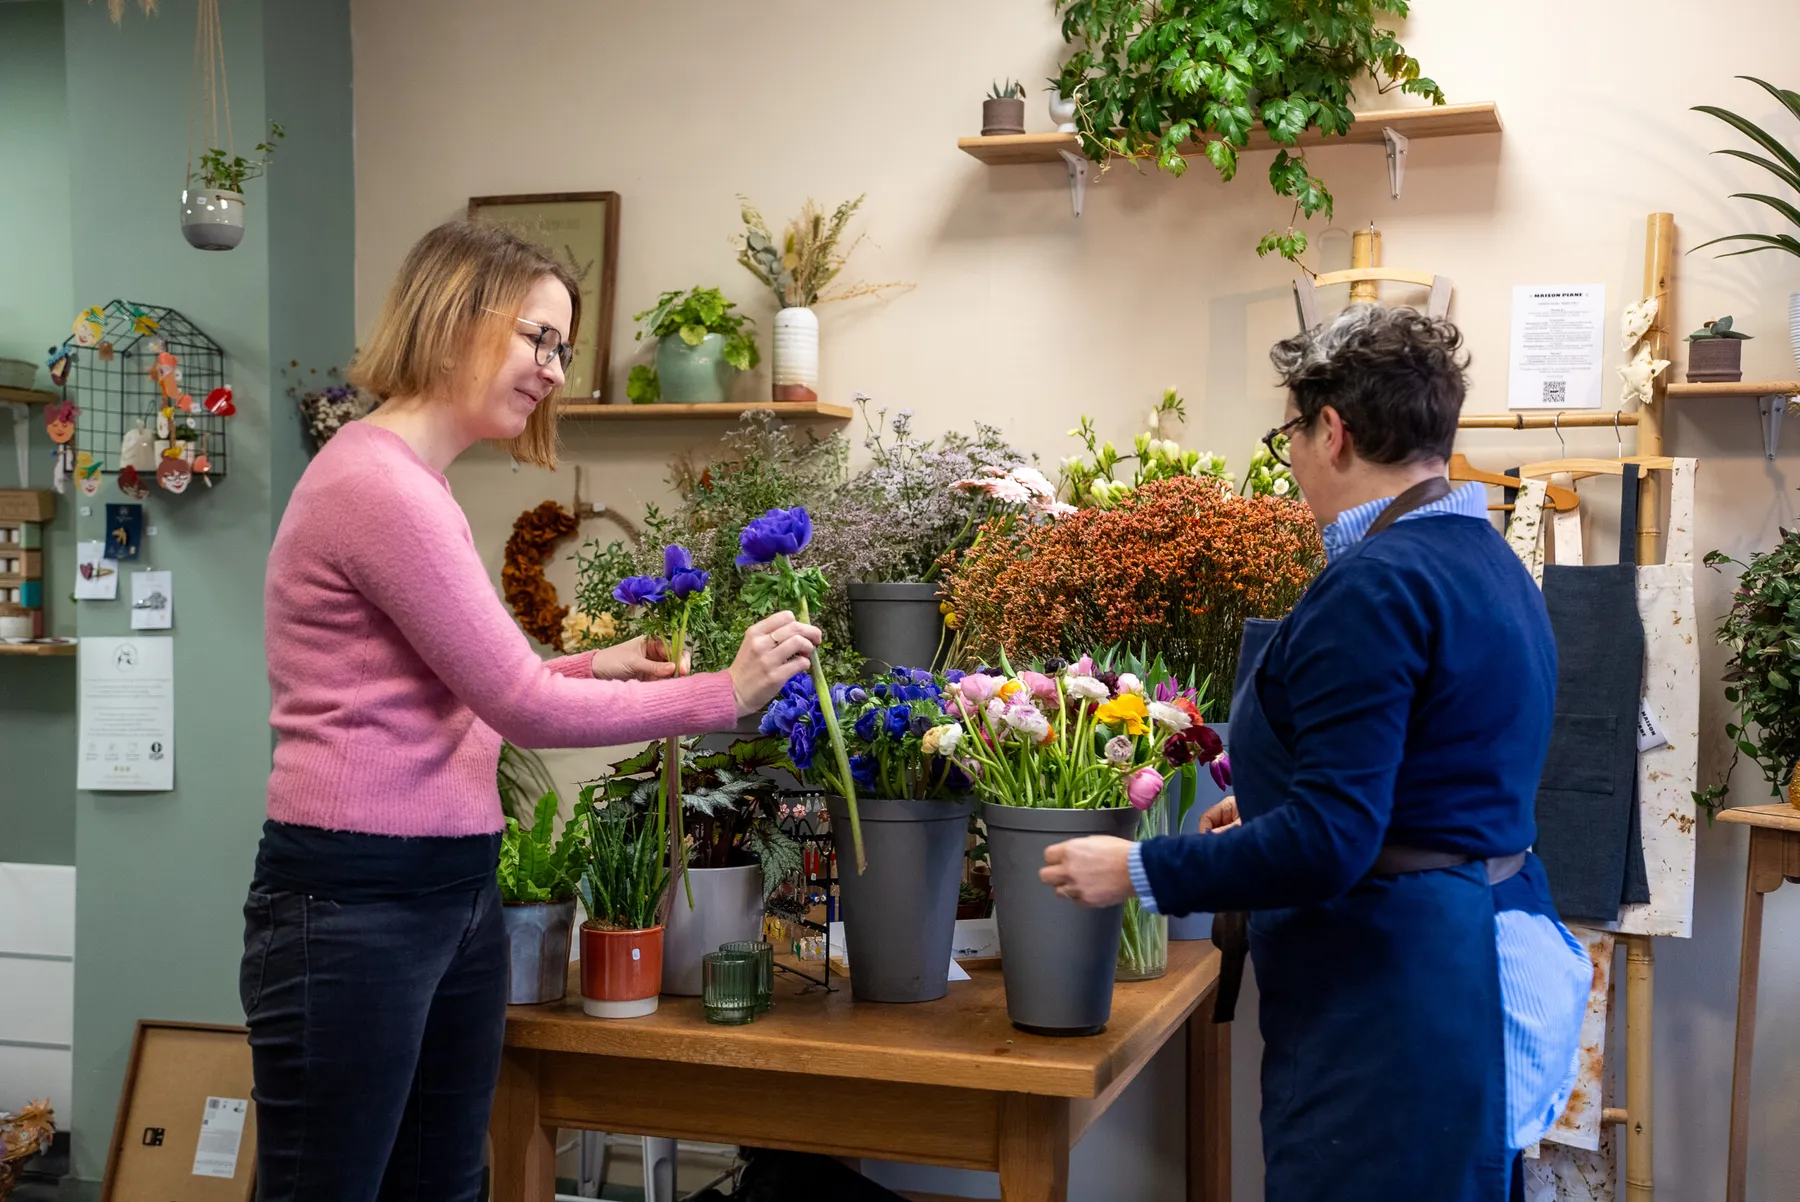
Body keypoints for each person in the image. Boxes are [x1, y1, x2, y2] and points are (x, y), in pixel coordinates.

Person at [243, 220, 820, 1202]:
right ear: (458, 316)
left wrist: (608, 663)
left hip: (449, 888)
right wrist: (723, 691)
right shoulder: (381, 485)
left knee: (442, 1185)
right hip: (357, 902)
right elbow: (517, 701)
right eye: (538, 339)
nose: (555, 369)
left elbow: (457, 689)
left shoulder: (408, 482)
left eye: (561, 345)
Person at [1039, 305, 1591, 1202]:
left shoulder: (1375, 585)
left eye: (1290, 431)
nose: (1289, 456)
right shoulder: (1484, 558)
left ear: (1331, 430)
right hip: (1469, 952)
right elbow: (1437, 770)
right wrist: (1268, 807)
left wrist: (1141, 869)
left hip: (1389, 995)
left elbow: (1336, 840)